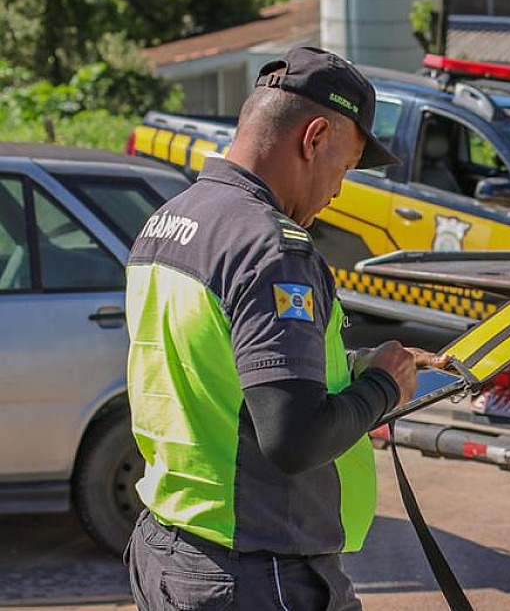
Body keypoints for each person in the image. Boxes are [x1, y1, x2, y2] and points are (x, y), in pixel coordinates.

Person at [124, 46, 446, 611]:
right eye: (344, 169)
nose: (338, 191)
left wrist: (348, 370)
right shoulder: (271, 247)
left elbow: (220, 367)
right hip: (256, 573)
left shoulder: (170, 221)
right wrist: (383, 388)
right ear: (314, 136)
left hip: (170, 547)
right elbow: (293, 439)